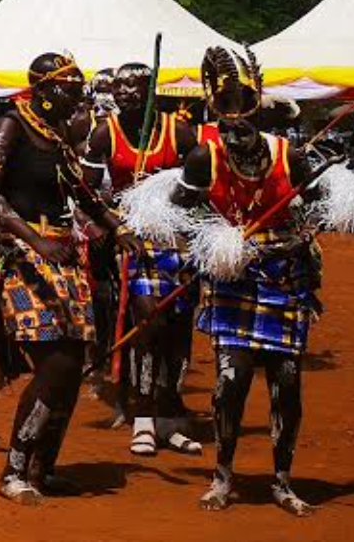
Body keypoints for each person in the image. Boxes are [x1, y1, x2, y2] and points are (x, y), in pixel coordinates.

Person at [0, 53, 139, 504]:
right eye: (71, 89)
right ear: (43, 90)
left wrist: (117, 227)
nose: (80, 98)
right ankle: (14, 470)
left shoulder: (58, 136)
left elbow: (81, 191)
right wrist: (36, 241)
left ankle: (42, 468)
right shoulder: (11, 126)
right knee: (57, 363)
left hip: (63, 255)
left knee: (71, 364)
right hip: (21, 256)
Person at [173, 47, 333, 516]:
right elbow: (180, 214)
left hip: (286, 280)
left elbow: (321, 204)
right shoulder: (203, 157)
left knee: (287, 382)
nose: (234, 120)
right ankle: (222, 476)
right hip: (233, 280)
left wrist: (300, 235)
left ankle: (282, 480)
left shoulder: (289, 155)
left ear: (257, 105)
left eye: (242, 105)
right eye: (224, 109)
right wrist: (218, 242)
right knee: (231, 380)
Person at [80, 61, 201, 456]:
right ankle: (143, 416)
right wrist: (112, 225)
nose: (127, 92)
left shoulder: (178, 131)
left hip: (177, 240)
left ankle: (171, 416)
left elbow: (203, 181)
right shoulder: (105, 133)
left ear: (152, 90)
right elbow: (85, 193)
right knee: (149, 322)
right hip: (133, 241)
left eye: (136, 85)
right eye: (121, 86)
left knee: (179, 328)